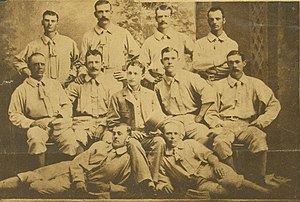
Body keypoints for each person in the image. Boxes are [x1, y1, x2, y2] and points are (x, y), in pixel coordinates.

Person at [205, 50, 281, 184]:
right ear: (227, 65)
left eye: (237, 62)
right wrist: (218, 124)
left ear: (244, 64)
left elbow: (274, 104)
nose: (234, 65)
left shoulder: (255, 83)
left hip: (246, 125)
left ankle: (258, 179)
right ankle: (236, 180)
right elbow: (210, 112)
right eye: (230, 62)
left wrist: (261, 121)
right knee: (220, 142)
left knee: (259, 137)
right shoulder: (218, 86)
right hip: (224, 125)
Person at [0, 124, 133, 199]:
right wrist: (79, 179)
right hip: (68, 168)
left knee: (36, 187)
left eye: (119, 134)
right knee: (30, 175)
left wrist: (106, 187)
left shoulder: (125, 160)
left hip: (76, 183)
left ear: (128, 137)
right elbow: (78, 161)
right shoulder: (100, 145)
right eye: (114, 133)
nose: (115, 136)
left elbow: (118, 185)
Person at [156, 119, 270, 198]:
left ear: (180, 135)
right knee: (222, 192)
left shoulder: (189, 144)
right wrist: (166, 185)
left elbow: (209, 154)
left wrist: (216, 164)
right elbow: (163, 177)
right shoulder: (163, 158)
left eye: (175, 133)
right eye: (168, 134)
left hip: (209, 169)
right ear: (164, 136)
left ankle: (266, 193)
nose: (172, 137)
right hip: (197, 183)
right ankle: (249, 197)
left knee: (233, 180)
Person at [8, 53, 80, 168]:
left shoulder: (54, 84)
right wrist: (32, 123)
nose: (39, 67)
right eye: (35, 64)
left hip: (57, 123)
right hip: (37, 125)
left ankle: (65, 172)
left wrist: (60, 117)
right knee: (35, 140)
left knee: (70, 141)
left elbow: (67, 104)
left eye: (42, 64)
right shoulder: (22, 90)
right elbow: (14, 114)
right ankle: (40, 173)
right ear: (29, 67)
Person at [107, 60, 165, 188]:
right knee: (133, 144)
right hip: (130, 136)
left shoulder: (150, 94)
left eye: (135, 74)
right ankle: (145, 181)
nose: (132, 77)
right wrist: (130, 132)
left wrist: (154, 129)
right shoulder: (117, 97)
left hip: (147, 134)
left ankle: (154, 180)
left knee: (160, 142)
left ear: (142, 76)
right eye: (129, 73)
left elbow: (158, 115)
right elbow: (112, 123)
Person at [155, 47, 215, 145]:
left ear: (178, 60)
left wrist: (200, 116)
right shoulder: (158, 84)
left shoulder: (191, 77)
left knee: (205, 139)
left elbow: (209, 94)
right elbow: (158, 108)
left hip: (192, 119)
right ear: (162, 62)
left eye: (173, 58)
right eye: (166, 59)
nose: (170, 62)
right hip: (173, 120)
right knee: (170, 142)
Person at [80, 0, 140, 93]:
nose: (104, 15)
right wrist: (83, 74)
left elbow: (138, 57)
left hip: (116, 79)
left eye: (107, 11)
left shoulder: (122, 33)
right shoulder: (88, 36)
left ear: (111, 13)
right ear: (95, 14)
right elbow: (82, 62)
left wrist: (127, 73)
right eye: (100, 12)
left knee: (116, 105)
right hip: (94, 79)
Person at [14, 10, 80, 87]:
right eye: (47, 20)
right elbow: (18, 61)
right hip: (42, 88)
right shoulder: (33, 45)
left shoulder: (69, 43)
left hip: (64, 88)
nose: (50, 24)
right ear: (42, 22)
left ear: (57, 23)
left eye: (53, 21)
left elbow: (78, 62)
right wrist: (30, 73)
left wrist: (72, 75)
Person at [66, 49, 112, 149]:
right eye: (90, 63)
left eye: (97, 62)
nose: (94, 66)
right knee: (76, 141)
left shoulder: (110, 83)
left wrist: (102, 125)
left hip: (104, 122)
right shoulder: (78, 84)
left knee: (109, 142)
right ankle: (79, 164)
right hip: (83, 123)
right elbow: (65, 103)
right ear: (86, 65)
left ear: (102, 64)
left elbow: (114, 110)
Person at [139, 4, 194, 87]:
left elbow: (197, 55)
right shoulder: (149, 42)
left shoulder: (181, 38)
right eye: (160, 16)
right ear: (156, 19)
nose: (163, 19)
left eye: (166, 16)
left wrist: (189, 72)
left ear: (171, 18)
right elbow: (141, 66)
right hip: (157, 82)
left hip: (180, 82)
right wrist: (152, 80)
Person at [193, 7, 238, 85]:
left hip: (225, 84)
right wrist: (219, 61)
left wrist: (206, 65)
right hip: (204, 83)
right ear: (208, 21)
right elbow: (196, 65)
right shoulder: (199, 43)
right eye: (211, 19)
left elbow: (231, 67)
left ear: (224, 20)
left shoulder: (232, 44)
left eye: (218, 19)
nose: (214, 22)